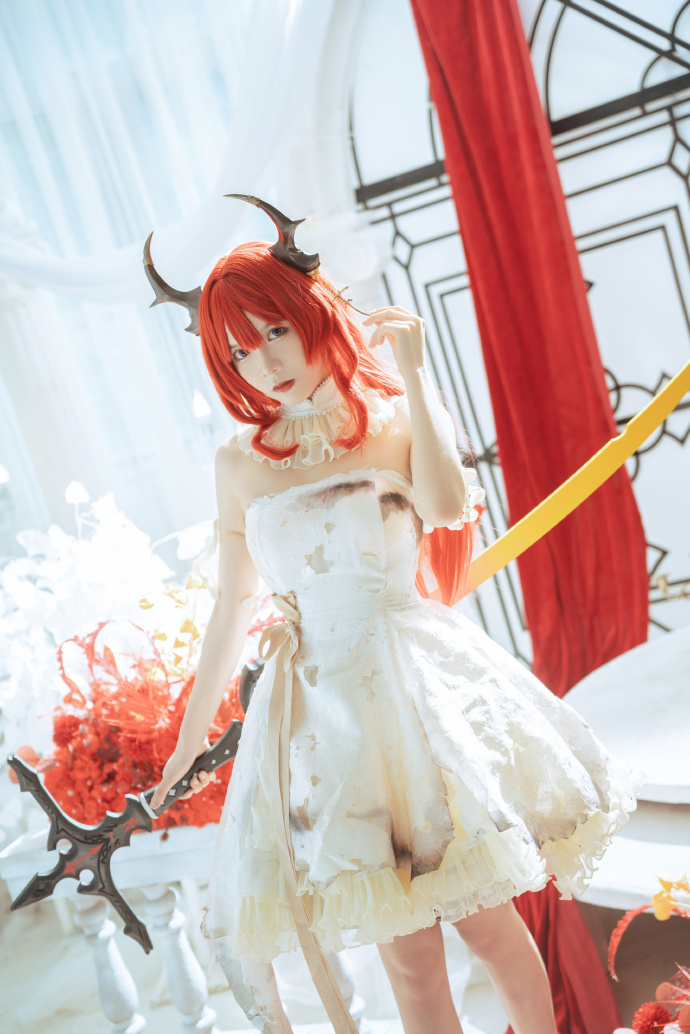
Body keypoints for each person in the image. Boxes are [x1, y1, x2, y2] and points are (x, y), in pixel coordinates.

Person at [148, 201, 641, 1034]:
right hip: (322, 719)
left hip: (414, 690)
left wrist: (413, 373)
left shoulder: (391, 421)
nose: (264, 363)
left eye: (275, 331)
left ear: (313, 312)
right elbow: (232, 607)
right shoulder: (238, 464)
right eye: (238, 351)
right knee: (409, 961)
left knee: (488, 928)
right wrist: (187, 742)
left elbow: (446, 510)